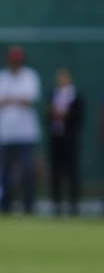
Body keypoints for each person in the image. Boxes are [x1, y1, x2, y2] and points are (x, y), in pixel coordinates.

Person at [0, 45, 41, 216]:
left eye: (18, 60)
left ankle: (29, 206)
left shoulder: (30, 76)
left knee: (27, 171)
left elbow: (29, 100)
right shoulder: (0, 77)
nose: (15, 63)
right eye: (13, 60)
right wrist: (17, 98)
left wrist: (9, 98)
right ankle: (5, 206)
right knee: (5, 172)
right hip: (5, 133)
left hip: (26, 133)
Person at [46, 67, 84, 217]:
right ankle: (57, 203)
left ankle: (74, 203)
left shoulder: (76, 96)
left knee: (72, 171)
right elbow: (47, 115)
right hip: (56, 138)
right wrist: (52, 112)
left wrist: (65, 114)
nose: (61, 80)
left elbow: (78, 116)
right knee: (56, 171)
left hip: (70, 139)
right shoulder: (53, 94)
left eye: (64, 77)